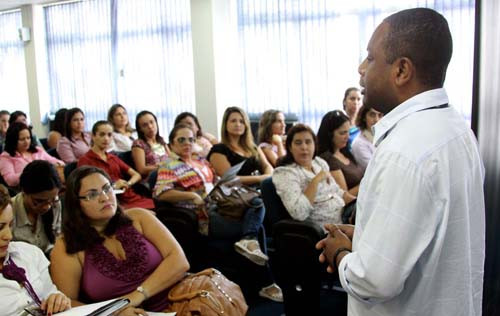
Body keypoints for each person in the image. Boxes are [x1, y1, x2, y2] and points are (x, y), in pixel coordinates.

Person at [316, 8, 485, 316]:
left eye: (370, 57)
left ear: (402, 70)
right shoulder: (456, 129)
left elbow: (374, 282)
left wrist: (339, 251)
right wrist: (368, 236)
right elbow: (430, 234)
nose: (360, 68)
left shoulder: (403, 152)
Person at [154, 123, 282, 302]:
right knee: (256, 226)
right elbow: (161, 192)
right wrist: (191, 196)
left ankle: (253, 256)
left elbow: (216, 183)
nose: (187, 143)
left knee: (256, 203)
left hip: (221, 205)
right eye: (181, 140)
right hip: (203, 217)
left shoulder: (201, 162)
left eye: (191, 139)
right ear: (172, 144)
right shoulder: (169, 165)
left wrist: (227, 183)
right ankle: (264, 280)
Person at [50, 166, 189, 314]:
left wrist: (136, 296)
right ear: (76, 204)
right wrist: (114, 312)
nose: (105, 197)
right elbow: (67, 303)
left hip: (182, 302)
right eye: (92, 195)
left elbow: (180, 261)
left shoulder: (139, 217)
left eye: (107, 188)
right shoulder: (68, 244)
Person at [0, 184, 71, 316]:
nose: (8, 236)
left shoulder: (30, 253)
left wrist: (58, 300)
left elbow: (51, 293)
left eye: (10, 225)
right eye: (0, 227)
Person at [273, 124, 355, 230]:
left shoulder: (319, 163)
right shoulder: (285, 173)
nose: (304, 147)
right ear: (290, 148)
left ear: (314, 145)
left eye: (308, 142)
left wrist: (356, 202)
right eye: (298, 143)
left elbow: (336, 191)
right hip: (325, 229)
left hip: (345, 216)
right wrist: (315, 181)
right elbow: (299, 213)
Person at [78, 121, 154, 210]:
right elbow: (87, 187)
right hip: (110, 201)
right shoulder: (85, 160)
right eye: (102, 135)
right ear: (93, 136)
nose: (106, 139)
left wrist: (128, 183)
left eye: (109, 135)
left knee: (161, 208)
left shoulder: (113, 158)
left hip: (129, 197)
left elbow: (137, 175)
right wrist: (112, 186)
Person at [208, 106, 273, 186]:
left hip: (261, 189)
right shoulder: (218, 150)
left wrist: (267, 176)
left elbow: (267, 166)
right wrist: (260, 178)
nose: (238, 124)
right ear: (225, 125)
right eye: (233, 121)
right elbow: (229, 179)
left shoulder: (253, 147)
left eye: (242, 121)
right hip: (238, 195)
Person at [11, 160, 63, 256]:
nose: (47, 206)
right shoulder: (10, 211)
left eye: (52, 200)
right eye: (39, 201)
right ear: (24, 192)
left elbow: (56, 238)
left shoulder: (55, 204)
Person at [0, 122, 65, 187]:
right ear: (13, 140)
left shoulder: (37, 150)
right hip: (26, 191)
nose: (26, 142)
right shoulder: (6, 157)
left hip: (50, 185)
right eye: (22, 139)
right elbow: (10, 180)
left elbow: (58, 162)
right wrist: (33, 172)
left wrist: (56, 165)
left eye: (28, 138)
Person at [317, 110, 364, 196]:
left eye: (348, 132)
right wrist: (366, 183)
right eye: (342, 133)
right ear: (329, 134)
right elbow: (344, 196)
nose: (347, 137)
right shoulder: (328, 159)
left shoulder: (345, 152)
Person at [132, 111, 170, 179]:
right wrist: (161, 167)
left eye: (152, 122)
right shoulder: (138, 144)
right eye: (145, 125)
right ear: (140, 129)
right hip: (153, 179)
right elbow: (141, 169)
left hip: (169, 174)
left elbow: (172, 159)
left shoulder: (161, 140)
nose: (150, 126)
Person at [351, 104, 383, 171]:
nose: (376, 120)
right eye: (372, 115)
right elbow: (375, 169)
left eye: (380, 115)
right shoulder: (359, 144)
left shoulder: (383, 138)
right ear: (364, 118)